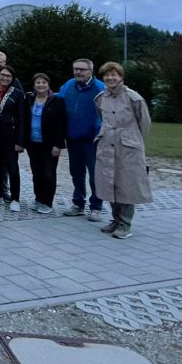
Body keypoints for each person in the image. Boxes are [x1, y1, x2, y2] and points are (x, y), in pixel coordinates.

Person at [94, 62, 153, 239]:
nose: (111, 78)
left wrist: (134, 142)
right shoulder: (99, 98)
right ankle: (115, 219)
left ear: (121, 77)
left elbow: (145, 123)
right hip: (107, 145)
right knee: (109, 183)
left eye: (114, 75)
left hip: (128, 148)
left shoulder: (133, 98)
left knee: (126, 186)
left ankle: (125, 223)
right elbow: (102, 119)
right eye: (107, 75)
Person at [59, 58, 105, 221]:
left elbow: (107, 113)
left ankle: (96, 207)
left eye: (82, 69)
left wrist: (98, 133)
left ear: (91, 71)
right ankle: (78, 204)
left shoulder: (100, 88)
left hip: (92, 141)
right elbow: (58, 99)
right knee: (76, 173)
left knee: (95, 175)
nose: (78, 72)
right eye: (75, 69)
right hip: (73, 138)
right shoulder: (69, 85)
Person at [22, 73, 67, 215]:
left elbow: (61, 124)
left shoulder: (56, 101)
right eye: (38, 83)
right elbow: (23, 120)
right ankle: (38, 198)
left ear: (48, 85)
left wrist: (58, 145)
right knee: (36, 173)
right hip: (33, 143)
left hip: (49, 144)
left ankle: (47, 202)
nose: (41, 85)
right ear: (34, 85)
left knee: (48, 173)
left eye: (43, 82)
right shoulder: (29, 99)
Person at [0, 65, 26, 212]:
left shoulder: (17, 94)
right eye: (2, 75)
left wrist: (20, 141)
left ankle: (15, 198)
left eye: (8, 76)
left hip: (11, 136)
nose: (5, 78)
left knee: (12, 167)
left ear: (12, 78)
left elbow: (22, 119)